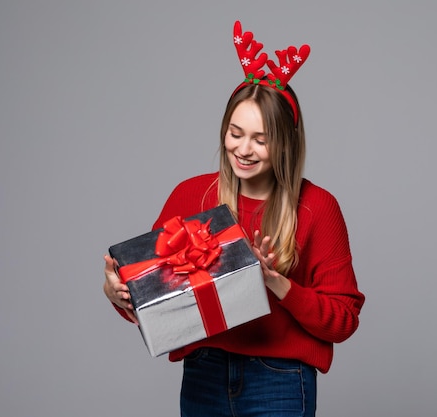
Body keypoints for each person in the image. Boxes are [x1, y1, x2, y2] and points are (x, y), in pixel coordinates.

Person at [103, 21, 365, 417]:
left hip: (280, 378)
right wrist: (123, 297)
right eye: (235, 133)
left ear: (286, 143)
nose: (243, 149)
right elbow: (160, 300)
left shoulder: (317, 208)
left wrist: (274, 282)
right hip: (204, 373)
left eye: (261, 139)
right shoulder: (192, 195)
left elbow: (343, 320)